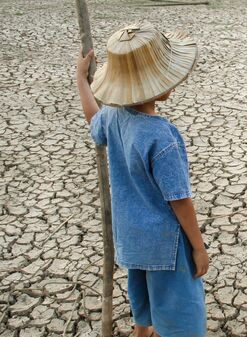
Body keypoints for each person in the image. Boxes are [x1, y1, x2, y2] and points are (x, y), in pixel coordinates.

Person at [76, 22, 209, 337]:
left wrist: (81, 80)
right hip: (166, 242)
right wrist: (198, 247)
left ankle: (141, 332)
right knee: (178, 309)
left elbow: (93, 119)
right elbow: (178, 199)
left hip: (130, 236)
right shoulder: (162, 136)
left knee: (142, 292)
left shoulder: (111, 116)